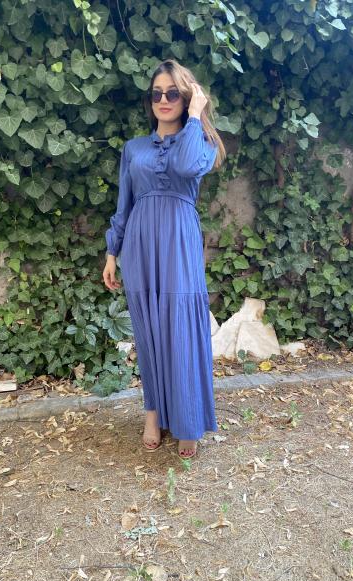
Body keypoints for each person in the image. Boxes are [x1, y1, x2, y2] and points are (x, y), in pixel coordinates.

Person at [103, 59, 226, 458]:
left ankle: (187, 419)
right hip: (140, 245)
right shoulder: (133, 149)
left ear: (187, 98)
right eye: (157, 93)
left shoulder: (200, 143)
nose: (163, 99)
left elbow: (186, 166)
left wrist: (196, 116)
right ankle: (153, 413)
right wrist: (112, 251)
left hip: (179, 242)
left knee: (181, 326)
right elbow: (124, 204)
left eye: (173, 93)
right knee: (149, 330)